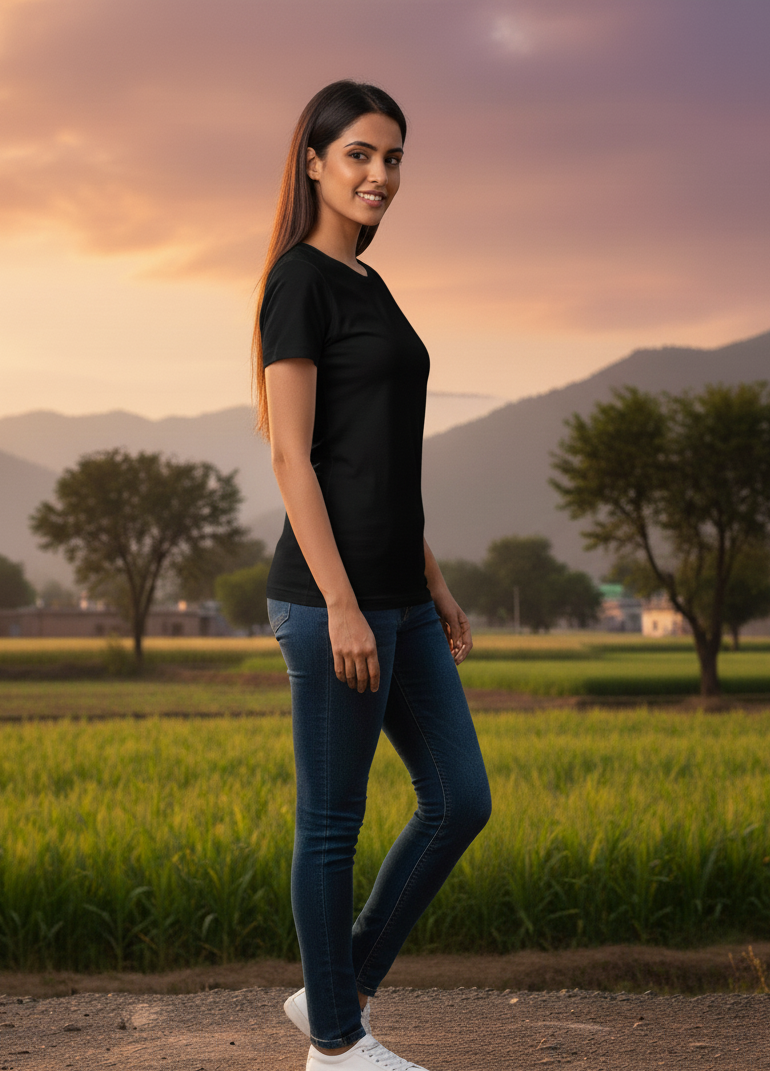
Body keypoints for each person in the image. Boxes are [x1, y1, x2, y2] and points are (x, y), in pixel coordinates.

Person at [253, 80, 492, 1070]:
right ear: (312, 161)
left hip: (400, 597)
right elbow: (291, 457)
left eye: (392, 158)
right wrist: (343, 607)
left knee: (459, 800)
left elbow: (383, 461)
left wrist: (430, 581)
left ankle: (330, 995)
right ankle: (338, 1047)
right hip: (329, 606)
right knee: (329, 828)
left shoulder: (371, 284)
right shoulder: (297, 282)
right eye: (358, 154)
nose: (379, 175)